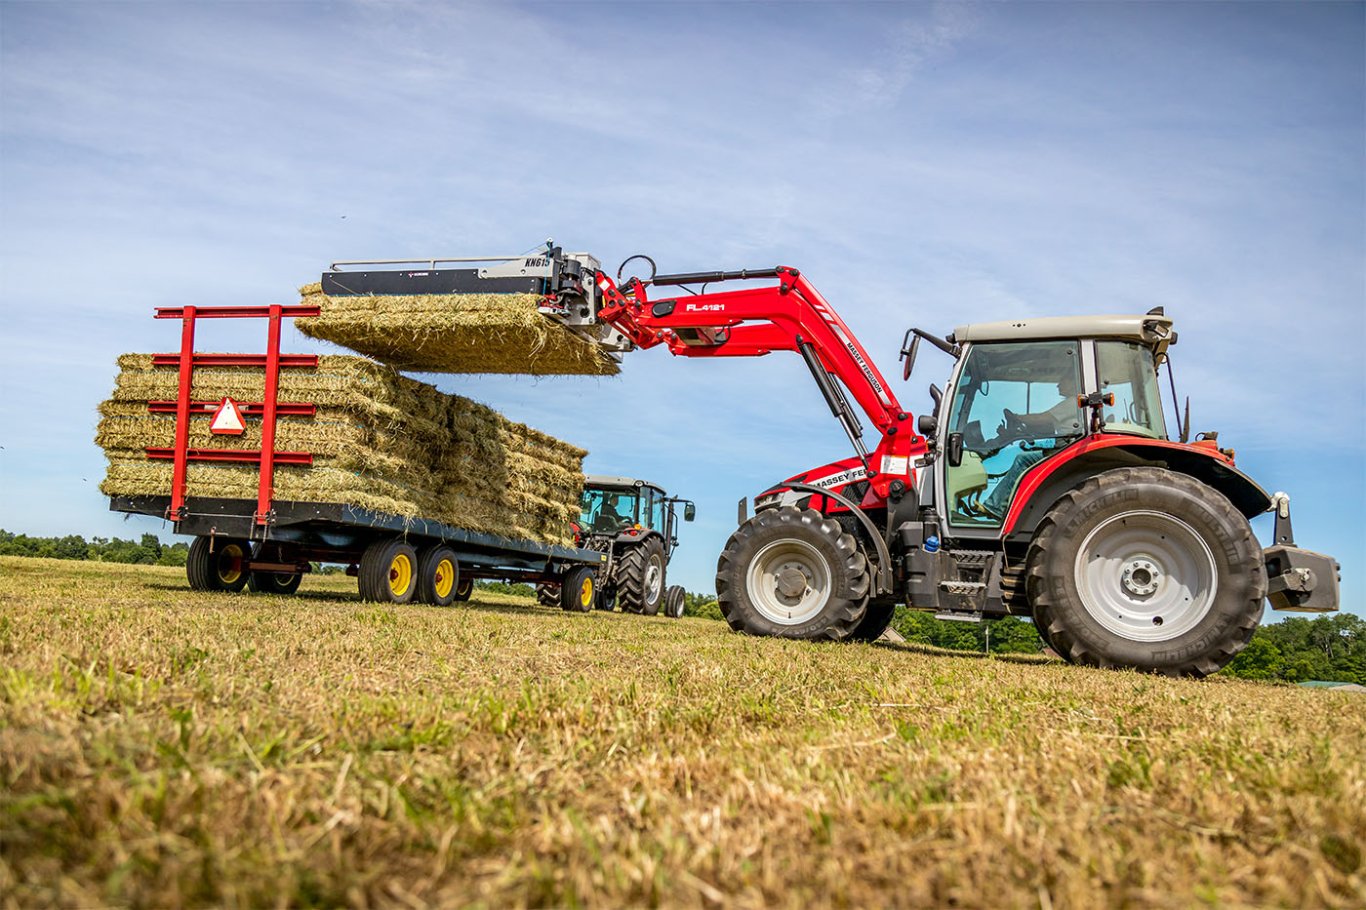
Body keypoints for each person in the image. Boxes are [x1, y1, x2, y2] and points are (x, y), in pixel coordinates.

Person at [978, 382, 1082, 519]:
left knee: (1023, 460)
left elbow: (1044, 418)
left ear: (1072, 383)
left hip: (1066, 448)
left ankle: (996, 506)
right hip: (1065, 446)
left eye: (1062, 381)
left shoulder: (1073, 402)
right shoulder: (1074, 404)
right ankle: (1000, 506)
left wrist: (1017, 417)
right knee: (1026, 458)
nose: (1058, 385)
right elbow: (1044, 426)